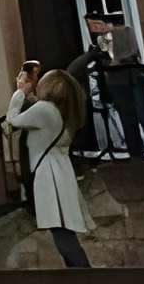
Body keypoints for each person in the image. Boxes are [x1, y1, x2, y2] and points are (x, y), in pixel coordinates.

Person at [9, 62, 95, 265]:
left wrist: (19, 92)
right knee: (65, 232)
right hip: (61, 170)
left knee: (62, 233)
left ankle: (85, 275)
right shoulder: (59, 111)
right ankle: (83, 273)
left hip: (49, 174)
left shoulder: (45, 110)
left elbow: (12, 121)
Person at [71, 13, 144, 159]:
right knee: (127, 118)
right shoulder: (101, 40)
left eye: (94, 25)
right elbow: (97, 57)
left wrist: (113, 61)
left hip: (133, 78)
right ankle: (136, 153)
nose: (93, 29)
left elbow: (131, 53)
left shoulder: (125, 31)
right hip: (116, 82)